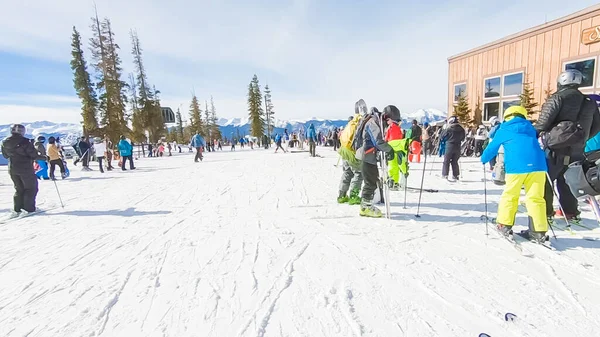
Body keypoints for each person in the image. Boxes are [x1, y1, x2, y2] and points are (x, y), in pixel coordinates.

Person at [535, 69, 600, 223]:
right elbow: (597, 125)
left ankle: (546, 213)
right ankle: (570, 211)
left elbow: (543, 122)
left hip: (555, 148)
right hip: (577, 149)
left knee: (546, 180)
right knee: (570, 180)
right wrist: (582, 138)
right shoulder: (589, 102)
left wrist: (540, 135)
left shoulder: (557, 98)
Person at [481, 106, 549, 243]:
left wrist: (484, 159)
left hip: (517, 167)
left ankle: (504, 224)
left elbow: (492, 147)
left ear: (507, 116)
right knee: (536, 198)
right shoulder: (531, 128)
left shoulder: (504, 129)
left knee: (510, 195)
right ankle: (538, 231)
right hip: (539, 166)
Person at [356, 107, 393, 218]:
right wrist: (389, 149)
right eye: (392, 121)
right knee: (370, 181)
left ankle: (366, 205)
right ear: (387, 118)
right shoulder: (373, 123)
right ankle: (365, 207)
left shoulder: (375, 121)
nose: (391, 125)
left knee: (372, 179)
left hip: (368, 155)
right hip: (366, 155)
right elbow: (377, 141)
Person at [1, 124, 46, 215]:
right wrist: (45, 158)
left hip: (13, 168)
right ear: (22, 131)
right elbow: (33, 155)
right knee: (31, 188)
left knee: (19, 189)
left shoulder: (4, 141)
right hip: (26, 168)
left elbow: (5, 156)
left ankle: (18, 208)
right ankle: (29, 208)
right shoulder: (25, 141)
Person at [338, 100, 368, 205]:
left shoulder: (351, 122)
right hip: (351, 151)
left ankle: (341, 195)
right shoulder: (361, 122)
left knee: (347, 172)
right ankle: (353, 196)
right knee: (359, 172)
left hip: (343, 149)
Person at [384, 105, 410, 190]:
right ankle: (395, 181)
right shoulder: (395, 127)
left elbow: (388, 138)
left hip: (393, 148)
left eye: (387, 119)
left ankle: (394, 181)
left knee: (394, 165)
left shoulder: (392, 127)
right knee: (397, 165)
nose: (386, 121)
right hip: (396, 148)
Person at [440, 116, 466, 181]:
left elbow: (441, 136)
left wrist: (444, 130)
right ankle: (456, 175)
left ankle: (445, 174)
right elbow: (463, 138)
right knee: (455, 161)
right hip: (458, 146)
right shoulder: (462, 129)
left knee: (446, 161)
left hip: (449, 146)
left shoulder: (449, 129)